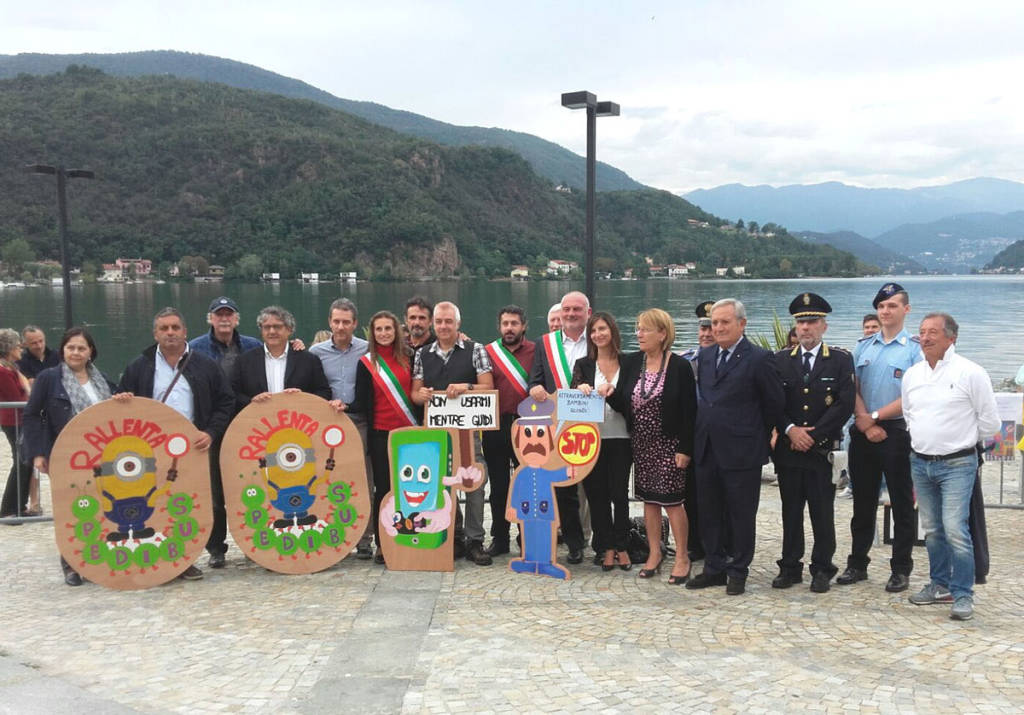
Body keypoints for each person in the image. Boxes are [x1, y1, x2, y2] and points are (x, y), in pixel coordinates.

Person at [116, 308, 235, 581]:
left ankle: (189, 557)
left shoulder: (204, 364)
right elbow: (123, 401)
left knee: (196, 504)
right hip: (151, 449)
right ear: (155, 333)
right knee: (157, 503)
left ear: (185, 332)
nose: (170, 333)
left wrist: (211, 432)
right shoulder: (139, 366)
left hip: (194, 446)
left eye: (175, 328)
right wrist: (121, 398)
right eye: (164, 328)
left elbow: (225, 400)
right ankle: (160, 557)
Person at [903, 313, 999, 621]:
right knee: (932, 530)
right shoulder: (913, 375)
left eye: (933, 332)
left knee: (956, 529)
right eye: (921, 331)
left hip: (958, 463)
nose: (925, 337)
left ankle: (962, 594)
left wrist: (960, 441)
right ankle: (939, 584)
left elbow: (990, 422)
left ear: (951, 337)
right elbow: (909, 415)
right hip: (920, 462)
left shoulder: (971, 372)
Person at [687, 298, 783, 595]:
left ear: (742, 324)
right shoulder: (705, 356)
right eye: (714, 323)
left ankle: (738, 569)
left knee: (741, 514)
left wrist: (756, 436)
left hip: (741, 451)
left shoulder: (758, 358)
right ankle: (714, 566)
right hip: (707, 448)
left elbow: (773, 404)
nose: (717, 328)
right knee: (709, 512)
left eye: (724, 322)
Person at [836, 283, 922, 593]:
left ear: (906, 310)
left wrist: (874, 417)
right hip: (863, 431)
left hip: (897, 432)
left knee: (900, 502)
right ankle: (857, 563)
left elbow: (912, 395)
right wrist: (864, 420)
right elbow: (853, 387)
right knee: (862, 501)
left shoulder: (914, 348)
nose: (885, 312)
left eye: (892, 306)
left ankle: (900, 568)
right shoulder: (864, 347)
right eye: (882, 307)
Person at [603, 309, 696, 583]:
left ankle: (681, 556)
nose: (638, 334)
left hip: (669, 445)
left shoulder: (679, 367)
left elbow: (691, 413)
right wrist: (610, 395)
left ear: (662, 334)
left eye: (644, 329)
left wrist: (685, 449)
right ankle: (655, 552)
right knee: (649, 501)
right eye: (637, 328)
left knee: (673, 502)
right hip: (641, 445)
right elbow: (625, 403)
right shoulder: (633, 363)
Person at [771, 293, 854, 593]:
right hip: (790, 449)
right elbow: (773, 403)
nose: (805, 328)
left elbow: (843, 405)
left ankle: (822, 567)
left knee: (822, 512)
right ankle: (790, 566)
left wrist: (813, 434)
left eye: (812, 322)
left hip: (821, 451)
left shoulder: (841, 360)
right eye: (801, 322)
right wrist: (791, 430)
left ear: (824, 326)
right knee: (791, 511)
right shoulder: (780, 361)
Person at [22, 328, 116, 585]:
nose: (76, 352)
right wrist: (38, 452)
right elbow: (31, 415)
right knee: (71, 509)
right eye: (71, 347)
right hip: (67, 455)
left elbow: (116, 411)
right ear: (63, 350)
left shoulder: (103, 380)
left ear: (90, 353)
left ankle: (99, 558)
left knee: (102, 507)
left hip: (102, 457)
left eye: (81, 348)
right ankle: (71, 564)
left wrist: (123, 398)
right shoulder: (49, 378)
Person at [411, 301, 495, 565]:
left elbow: (488, 388)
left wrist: (466, 386)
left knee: (474, 484)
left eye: (449, 321)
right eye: (439, 322)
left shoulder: (476, 349)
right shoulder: (422, 353)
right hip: (437, 434)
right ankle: (454, 535)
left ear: (458, 324)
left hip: (469, 431)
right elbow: (415, 393)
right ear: (433, 325)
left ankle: (475, 539)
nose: (444, 326)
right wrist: (421, 394)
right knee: (443, 483)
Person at [187, 296, 263, 568]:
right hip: (213, 428)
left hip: (249, 427)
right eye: (218, 314)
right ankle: (216, 548)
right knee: (215, 492)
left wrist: (299, 345)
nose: (224, 319)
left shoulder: (254, 345)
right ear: (210, 319)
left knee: (252, 487)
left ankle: (256, 544)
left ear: (236, 319)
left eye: (229, 314)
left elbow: (279, 354)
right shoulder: (194, 349)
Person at [349, 310, 419, 564]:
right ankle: (384, 542)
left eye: (388, 328)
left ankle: (413, 536)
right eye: (378, 329)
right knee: (385, 489)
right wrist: (339, 405)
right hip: (381, 435)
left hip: (411, 433)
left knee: (411, 489)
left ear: (396, 330)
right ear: (372, 333)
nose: (383, 333)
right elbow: (359, 401)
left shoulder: (411, 358)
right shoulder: (366, 363)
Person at [527, 291, 590, 564]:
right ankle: (575, 545)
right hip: (557, 426)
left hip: (591, 424)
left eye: (577, 309)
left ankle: (605, 544)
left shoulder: (598, 340)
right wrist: (535, 388)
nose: (571, 314)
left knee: (596, 488)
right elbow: (534, 380)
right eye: (567, 309)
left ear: (588, 312)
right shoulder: (545, 343)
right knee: (564, 488)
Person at [310, 298, 373, 558]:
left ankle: (365, 540)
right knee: (328, 480)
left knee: (364, 480)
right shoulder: (316, 353)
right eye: (336, 321)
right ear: (329, 322)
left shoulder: (369, 349)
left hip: (360, 421)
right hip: (327, 425)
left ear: (355, 324)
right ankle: (334, 536)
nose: (341, 326)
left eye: (346, 322)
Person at [572, 312, 632, 571]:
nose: (598, 334)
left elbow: (630, 404)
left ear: (612, 331)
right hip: (591, 440)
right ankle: (604, 547)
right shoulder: (583, 365)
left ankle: (622, 545)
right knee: (596, 496)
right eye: (593, 330)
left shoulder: (628, 363)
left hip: (621, 437)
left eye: (602, 329)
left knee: (619, 494)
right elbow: (572, 402)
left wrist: (612, 394)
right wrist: (579, 389)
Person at [481, 305, 536, 557]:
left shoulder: (537, 351)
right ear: (499, 327)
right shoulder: (487, 352)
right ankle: (500, 538)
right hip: (496, 426)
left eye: (514, 323)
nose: (509, 328)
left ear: (523, 326)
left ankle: (527, 537)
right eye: (505, 324)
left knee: (528, 485)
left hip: (528, 426)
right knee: (499, 486)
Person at [231, 306, 332, 410]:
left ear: (289, 329)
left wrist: (303, 398)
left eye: (277, 327)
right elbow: (233, 394)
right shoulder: (244, 361)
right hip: (258, 422)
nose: (272, 331)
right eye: (266, 327)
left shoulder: (309, 360)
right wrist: (252, 401)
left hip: (297, 422)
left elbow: (324, 392)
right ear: (261, 330)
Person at [678, 300, 715, 561]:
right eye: (702, 329)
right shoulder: (684, 361)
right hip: (691, 436)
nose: (706, 334)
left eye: (711, 328)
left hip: (720, 438)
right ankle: (694, 544)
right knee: (690, 494)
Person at [0, 329, 34, 517]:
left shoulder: (11, 367)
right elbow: (15, 396)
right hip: (12, 420)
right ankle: (8, 509)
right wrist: (28, 388)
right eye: (17, 345)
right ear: (9, 348)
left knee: (25, 462)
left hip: (18, 418)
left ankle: (20, 506)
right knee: (20, 462)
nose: (20, 348)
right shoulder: (3, 370)